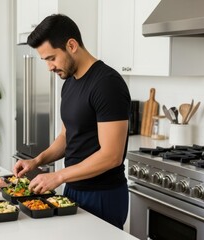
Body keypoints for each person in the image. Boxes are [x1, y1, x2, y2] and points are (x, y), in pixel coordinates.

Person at [13, 14, 131, 229]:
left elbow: (112, 156)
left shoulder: (107, 84)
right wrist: (36, 161)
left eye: (51, 58)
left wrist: (58, 176)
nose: (49, 67)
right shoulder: (70, 82)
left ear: (72, 45)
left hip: (103, 194)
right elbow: (67, 137)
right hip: (73, 189)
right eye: (45, 61)